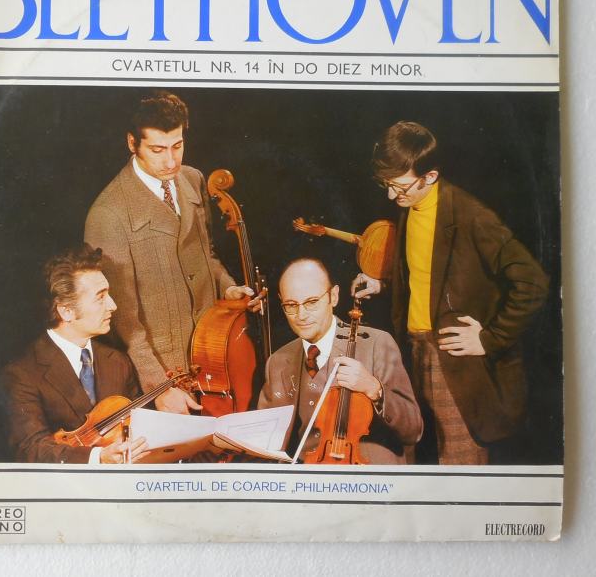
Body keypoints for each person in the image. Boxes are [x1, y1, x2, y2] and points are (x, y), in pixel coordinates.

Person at [354, 121, 549, 464]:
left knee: (457, 468)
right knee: (420, 462)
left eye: (399, 186)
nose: (391, 196)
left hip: (455, 366)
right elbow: (430, 278)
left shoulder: (473, 216)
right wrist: (383, 285)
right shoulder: (411, 207)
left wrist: (489, 338)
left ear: (430, 176)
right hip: (414, 353)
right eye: (387, 185)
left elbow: (533, 282)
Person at [85, 91, 258, 415]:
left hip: (213, 355)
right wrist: (159, 388)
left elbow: (206, 256)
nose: (170, 161)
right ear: (132, 143)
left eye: (177, 146)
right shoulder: (107, 214)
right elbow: (124, 320)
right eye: (157, 150)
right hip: (165, 375)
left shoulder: (193, 179)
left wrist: (227, 287)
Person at [258, 258, 422, 464]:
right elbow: (263, 440)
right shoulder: (278, 361)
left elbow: (414, 430)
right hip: (309, 476)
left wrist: (374, 389)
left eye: (311, 302)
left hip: (366, 474)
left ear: (333, 296)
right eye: (291, 305)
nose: (301, 315)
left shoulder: (376, 344)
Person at [2, 245, 151, 464]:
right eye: (100, 297)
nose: (113, 305)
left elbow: (140, 427)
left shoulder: (117, 361)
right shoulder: (21, 373)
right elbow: (30, 449)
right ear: (66, 311)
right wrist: (98, 458)